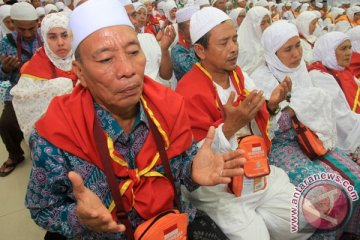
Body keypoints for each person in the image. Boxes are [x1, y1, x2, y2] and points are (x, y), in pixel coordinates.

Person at [25, 0, 245, 239]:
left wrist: (192, 170)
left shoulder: (168, 106)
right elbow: (43, 208)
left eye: (133, 52)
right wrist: (79, 218)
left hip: (171, 223)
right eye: (106, 59)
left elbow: (180, 165)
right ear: (80, 72)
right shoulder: (57, 133)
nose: (127, 69)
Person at [176, 7, 314, 240]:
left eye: (235, 39)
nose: (233, 48)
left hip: (255, 170)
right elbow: (193, 163)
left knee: (305, 216)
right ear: (200, 50)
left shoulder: (239, 75)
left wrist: (270, 105)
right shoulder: (188, 91)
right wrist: (229, 127)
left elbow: (256, 118)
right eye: (223, 43)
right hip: (219, 188)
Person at [250, 21, 360, 238]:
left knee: (356, 178)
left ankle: (347, 232)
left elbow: (316, 111)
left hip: (311, 138)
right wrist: (288, 110)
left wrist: (302, 106)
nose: (296, 54)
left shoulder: (300, 70)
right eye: (287, 49)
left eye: (298, 46)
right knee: (329, 193)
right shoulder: (258, 79)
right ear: (272, 53)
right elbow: (262, 127)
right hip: (279, 147)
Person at [11, 13, 76, 144]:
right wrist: (59, 88)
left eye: (64, 35)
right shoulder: (38, 63)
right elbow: (22, 99)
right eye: (52, 37)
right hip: (56, 124)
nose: (60, 43)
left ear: (72, 35)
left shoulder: (84, 55)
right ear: (45, 39)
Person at [0, 2, 42, 177]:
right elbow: (1, 78)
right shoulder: (5, 43)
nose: (27, 34)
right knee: (6, 124)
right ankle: (15, 155)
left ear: (38, 22)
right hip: (20, 91)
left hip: (45, 89)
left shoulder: (47, 37)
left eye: (31, 28)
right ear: (13, 24)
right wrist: (6, 70)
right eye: (21, 29)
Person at [308, 31, 360, 164]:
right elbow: (341, 118)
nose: (349, 52)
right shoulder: (319, 75)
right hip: (344, 139)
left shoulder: (340, 70)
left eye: (349, 47)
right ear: (328, 51)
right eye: (343, 49)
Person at [237, 6, 271, 74]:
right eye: (262, 23)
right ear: (252, 25)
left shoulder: (270, 40)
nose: (267, 26)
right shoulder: (242, 47)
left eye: (269, 21)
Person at [171, 4, 199, 81]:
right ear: (181, 30)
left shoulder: (200, 41)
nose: (196, 27)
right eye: (191, 25)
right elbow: (196, 71)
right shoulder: (177, 51)